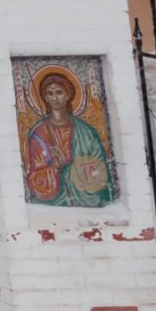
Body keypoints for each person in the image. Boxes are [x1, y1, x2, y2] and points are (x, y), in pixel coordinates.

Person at [23, 66, 114, 207]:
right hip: (55, 200)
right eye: (50, 93)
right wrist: (54, 168)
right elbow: (35, 179)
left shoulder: (86, 132)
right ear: (45, 98)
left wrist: (78, 171)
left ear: (68, 95)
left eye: (59, 92)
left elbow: (100, 167)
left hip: (86, 197)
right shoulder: (40, 133)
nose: (55, 98)